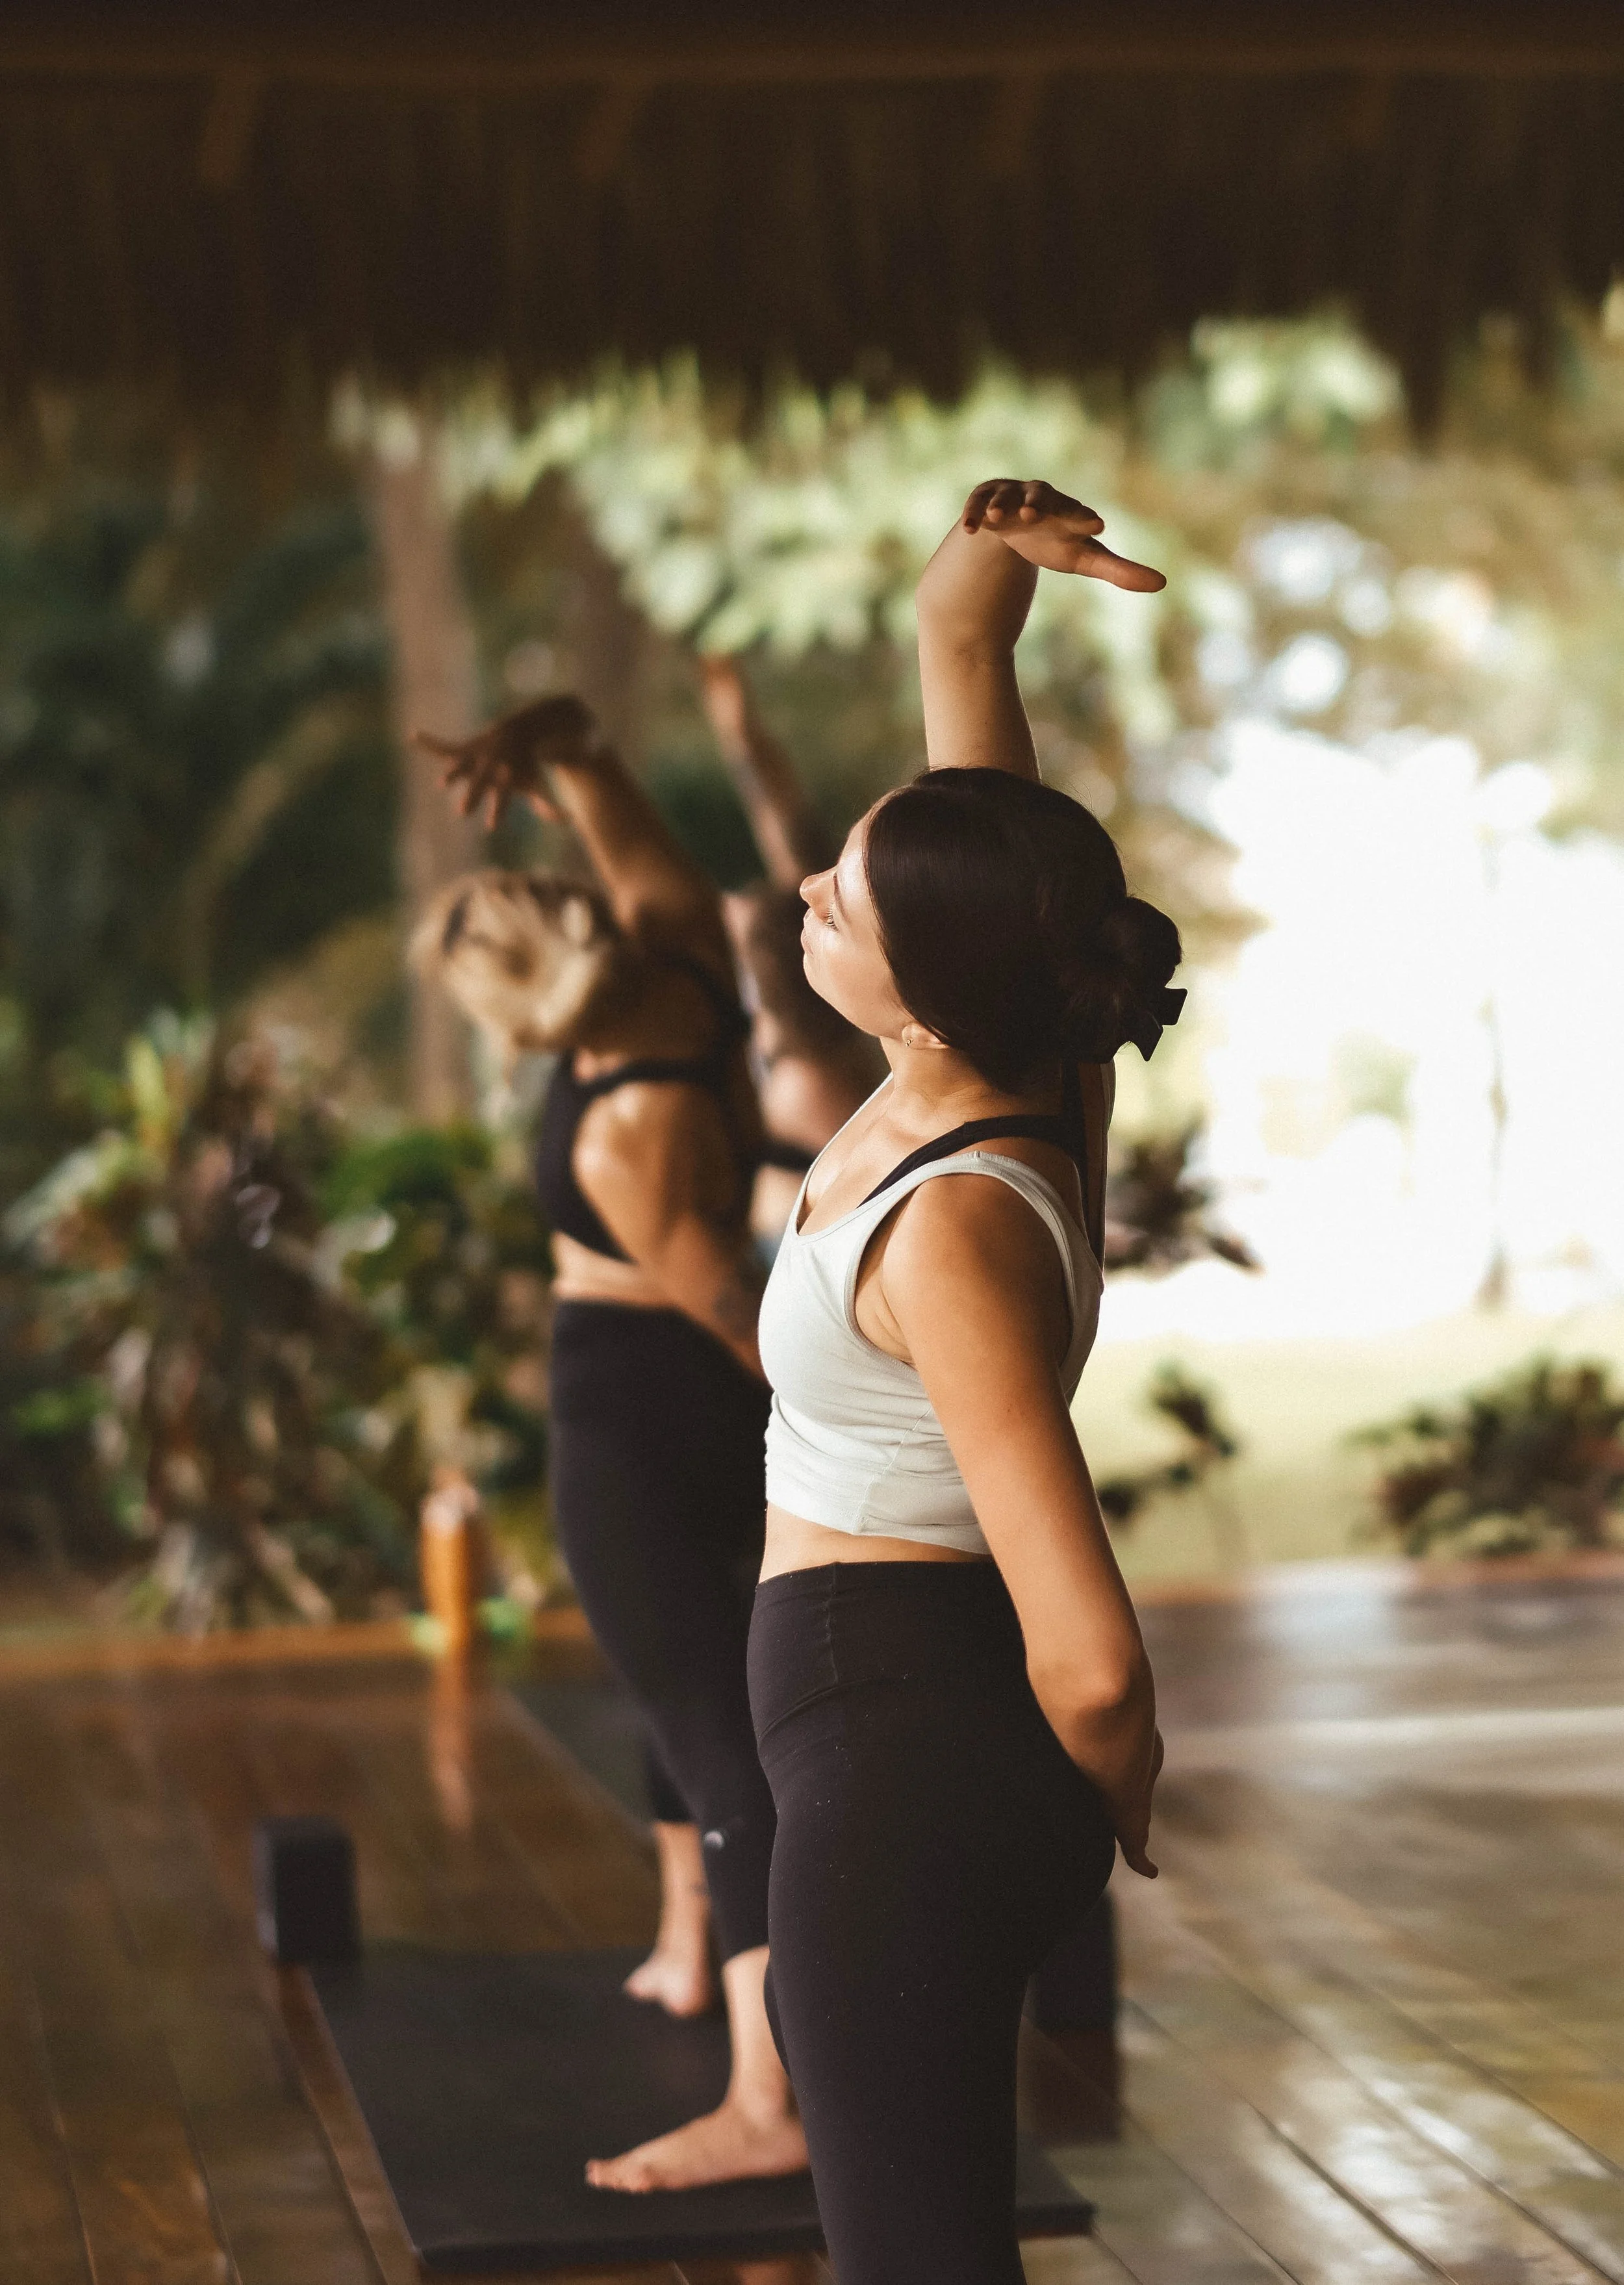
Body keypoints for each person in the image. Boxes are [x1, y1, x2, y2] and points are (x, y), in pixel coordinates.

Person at [748, 479, 1176, 2285]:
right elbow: (967, 741)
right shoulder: (1006, 1071)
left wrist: (1120, 1789)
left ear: (920, 984)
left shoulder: (952, 1233)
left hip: (910, 1763)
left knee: (911, 2262)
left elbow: (1081, 1645)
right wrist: (978, 578)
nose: (808, 892)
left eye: (841, 896)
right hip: (890, 1737)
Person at [411, 698, 804, 2191]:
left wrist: (880, 1403)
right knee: (679, 1671)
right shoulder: (686, 960)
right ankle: (684, 1950)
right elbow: (628, 818)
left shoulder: (615, 1132)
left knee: (721, 1740)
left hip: (640, 1407)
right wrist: (563, 746)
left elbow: (732, 1309)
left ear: (520, 1027)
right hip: (697, 1408)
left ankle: (769, 2099)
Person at [698, 655, 885, 1244]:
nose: (729, 906)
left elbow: (788, 832)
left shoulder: (807, 1078)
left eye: (741, 908)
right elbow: (780, 823)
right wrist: (740, 737)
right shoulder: (798, 1046)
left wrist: (743, 738)